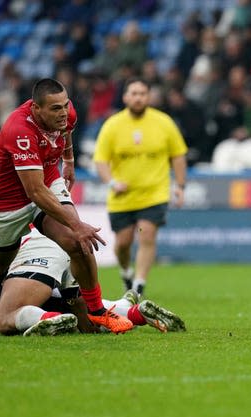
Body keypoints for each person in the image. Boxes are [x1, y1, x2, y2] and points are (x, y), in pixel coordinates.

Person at [0, 78, 133, 337]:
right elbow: (35, 192)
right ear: (36, 109)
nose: (63, 112)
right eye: (55, 109)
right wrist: (77, 223)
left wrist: (69, 160)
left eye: (65, 105)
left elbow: (65, 131)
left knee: (77, 242)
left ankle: (98, 311)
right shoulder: (18, 130)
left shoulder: (65, 113)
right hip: (6, 202)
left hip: (46, 178)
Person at [0, 198, 185, 335]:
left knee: (9, 315)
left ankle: (50, 320)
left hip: (37, 248)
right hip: (47, 254)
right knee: (83, 321)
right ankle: (131, 310)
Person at [93, 78, 188, 296]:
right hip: (122, 196)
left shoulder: (163, 122)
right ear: (126, 97)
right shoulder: (112, 125)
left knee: (146, 236)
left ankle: (138, 285)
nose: (138, 98)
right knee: (123, 243)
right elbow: (100, 160)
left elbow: (178, 156)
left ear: (149, 96)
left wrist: (180, 186)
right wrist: (112, 182)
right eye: (134, 93)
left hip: (153, 194)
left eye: (142, 93)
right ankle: (126, 271)